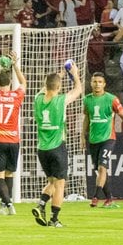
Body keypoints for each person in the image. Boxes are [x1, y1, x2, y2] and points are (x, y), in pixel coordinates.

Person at [32, 61, 84, 228]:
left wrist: (58, 77)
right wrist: (74, 74)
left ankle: (41, 204)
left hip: (42, 149)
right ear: (59, 87)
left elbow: (45, 87)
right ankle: (55, 219)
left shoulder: (38, 99)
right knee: (60, 184)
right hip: (57, 147)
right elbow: (78, 90)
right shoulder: (61, 101)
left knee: (52, 182)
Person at [82, 71, 123, 208]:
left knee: (102, 167)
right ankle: (109, 199)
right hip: (93, 140)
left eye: (100, 82)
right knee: (101, 171)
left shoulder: (112, 99)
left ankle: (95, 197)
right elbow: (87, 118)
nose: (97, 84)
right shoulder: (87, 99)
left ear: (104, 84)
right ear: (91, 83)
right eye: (94, 82)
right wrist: (83, 135)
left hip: (108, 138)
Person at [0, 51, 27, 215]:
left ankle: (9, 204)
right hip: (14, 140)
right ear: (10, 82)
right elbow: (24, 82)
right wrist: (15, 65)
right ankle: (3, 205)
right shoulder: (17, 96)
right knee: (9, 173)